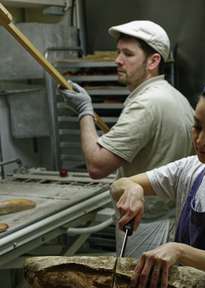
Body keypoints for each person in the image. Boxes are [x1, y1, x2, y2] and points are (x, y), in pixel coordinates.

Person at [110, 73, 205, 288]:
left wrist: (178, 251)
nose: (201, 141)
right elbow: (118, 185)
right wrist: (133, 189)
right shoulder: (188, 170)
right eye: (197, 127)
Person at [59, 20, 194, 257]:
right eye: (118, 52)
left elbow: (97, 166)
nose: (117, 60)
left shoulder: (146, 104)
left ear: (153, 61)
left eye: (128, 54)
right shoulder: (173, 96)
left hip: (146, 225)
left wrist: (84, 111)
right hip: (169, 219)